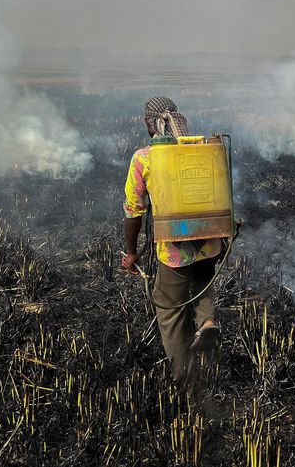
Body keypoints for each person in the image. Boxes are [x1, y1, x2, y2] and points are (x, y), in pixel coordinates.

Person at [121, 96, 222, 390]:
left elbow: (133, 210)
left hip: (175, 251)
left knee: (169, 310)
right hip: (211, 240)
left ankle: (188, 384)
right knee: (202, 281)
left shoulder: (144, 158)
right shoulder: (203, 149)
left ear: (149, 123)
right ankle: (206, 321)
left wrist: (131, 252)